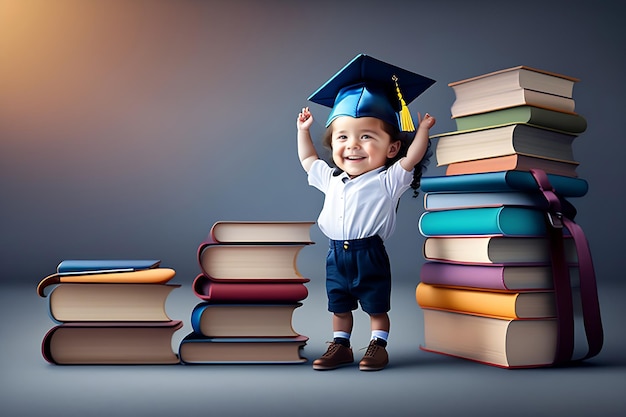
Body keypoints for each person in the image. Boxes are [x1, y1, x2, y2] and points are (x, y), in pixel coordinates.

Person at [296, 54, 436, 371]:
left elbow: (412, 159)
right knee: (339, 304)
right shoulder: (331, 179)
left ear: (391, 148)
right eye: (342, 137)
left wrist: (423, 130)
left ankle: (377, 345)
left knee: (375, 305)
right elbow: (308, 161)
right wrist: (304, 131)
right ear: (333, 146)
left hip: (369, 252)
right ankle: (341, 345)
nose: (353, 146)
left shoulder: (388, 180)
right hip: (335, 254)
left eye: (366, 136)